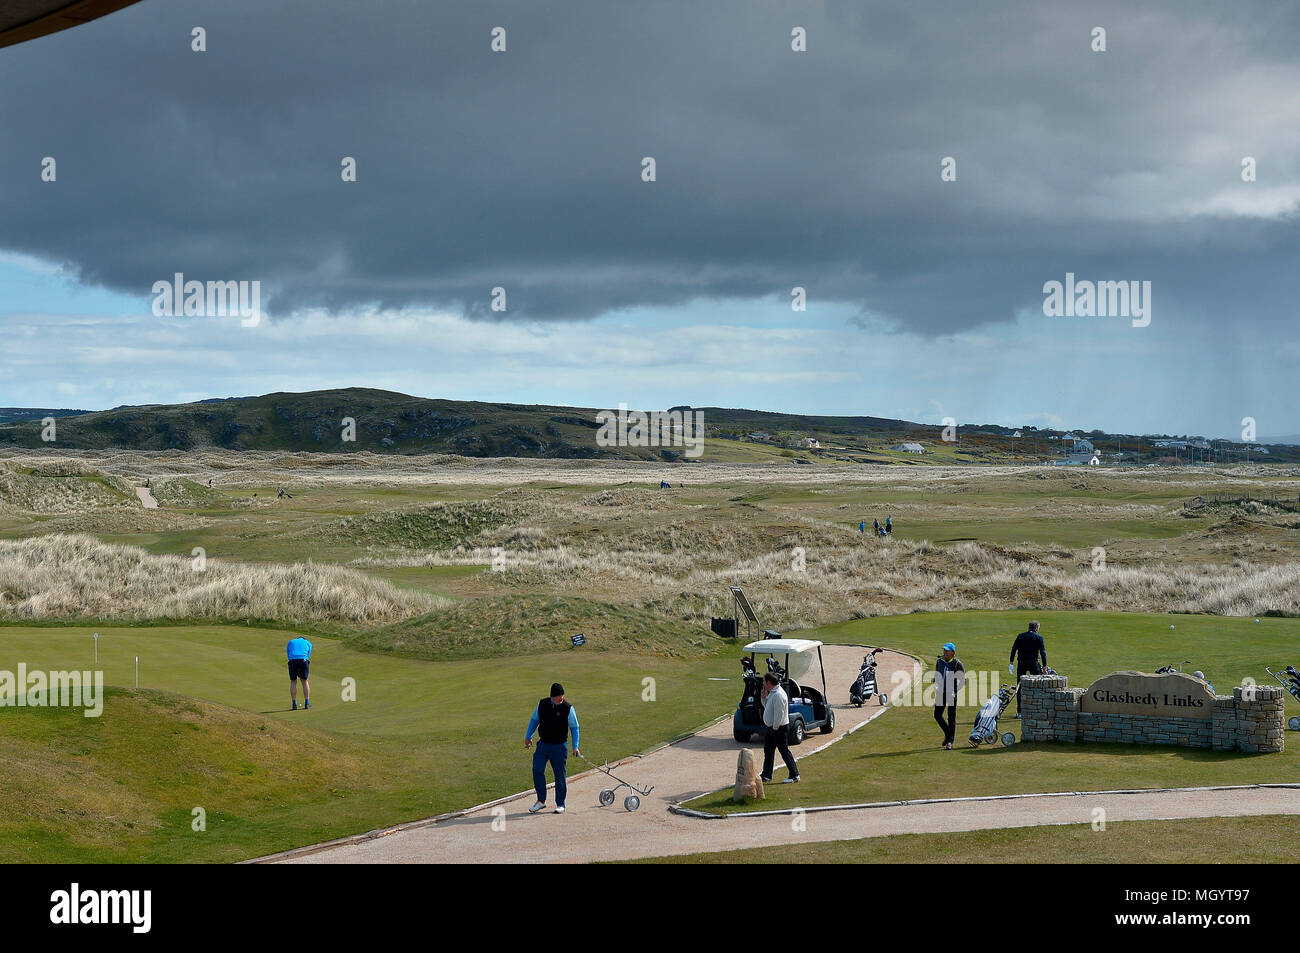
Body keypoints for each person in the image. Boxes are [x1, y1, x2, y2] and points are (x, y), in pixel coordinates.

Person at [525, 683, 581, 814]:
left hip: (559, 747)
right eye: (558, 697)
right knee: (537, 769)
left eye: (562, 696)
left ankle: (560, 803)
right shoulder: (542, 704)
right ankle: (541, 801)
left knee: (559, 775)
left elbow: (574, 727)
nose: (561, 699)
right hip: (543, 745)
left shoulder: (568, 708)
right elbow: (534, 721)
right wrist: (528, 736)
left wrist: (575, 746)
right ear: (552, 697)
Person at [759, 672, 800, 783]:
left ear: (768, 682)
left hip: (778, 728)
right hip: (772, 727)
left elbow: (779, 714)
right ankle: (766, 775)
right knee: (768, 751)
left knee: (784, 751)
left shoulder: (778, 694)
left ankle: (794, 774)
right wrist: (763, 698)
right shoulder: (772, 692)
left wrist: (774, 728)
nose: (763, 683)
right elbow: (768, 707)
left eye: (764, 681)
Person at [1009, 621, 1048, 716]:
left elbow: (1014, 648)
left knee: (1019, 685)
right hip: (1033, 663)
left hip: (1021, 663)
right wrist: (1045, 666)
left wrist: (1011, 662)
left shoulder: (1021, 636)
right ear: (1037, 628)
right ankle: (1037, 708)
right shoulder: (1039, 638)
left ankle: (1019, 712)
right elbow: (1043, 652)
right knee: (1038, 685)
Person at [934, 642, 964, 749]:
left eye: (947, 650)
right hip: (940, 693)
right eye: (944, 650)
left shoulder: (957, 664)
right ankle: (948, 734)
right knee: (937, 715)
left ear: (953, 652)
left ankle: (950, 742)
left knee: (951, 718)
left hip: (951, 694)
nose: (945, 652)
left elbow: (962, 680)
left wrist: (955, 691)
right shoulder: (939, 661)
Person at [286, 635, 312, 710]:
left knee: (293, 681)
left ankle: (294, 704)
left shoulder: (291, 642)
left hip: (293, 661)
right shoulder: (308, 643)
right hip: (303, 660)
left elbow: (288, 653)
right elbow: (308, 655)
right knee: (304, 681)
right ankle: (307, 703)